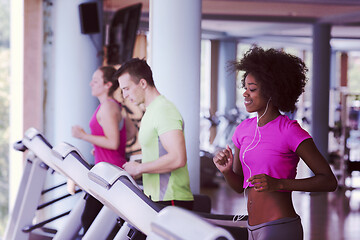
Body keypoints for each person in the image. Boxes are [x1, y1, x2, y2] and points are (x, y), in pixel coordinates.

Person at [213, 47, 338, 240]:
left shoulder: (290, 131)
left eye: (252, 89)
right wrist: (226, 171)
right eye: (245, 87)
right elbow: (240, 186)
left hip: (279, 227)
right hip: (251, 228)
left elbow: (329, 181)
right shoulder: (243, 130)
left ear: (272, 91)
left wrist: (280, 183)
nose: (245, 94)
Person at [114, 58, 194, 210]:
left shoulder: (164, 110)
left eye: (126, 88)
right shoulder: (151, 111)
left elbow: (178, 158)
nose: (124, 95)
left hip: (171, 199)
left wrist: (139, 168)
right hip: (157, 198)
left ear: (143, 84)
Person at [70, 65, 135, 234]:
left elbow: (113, 142)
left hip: (109, 173)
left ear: (107, 85)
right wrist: (100, 146)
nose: (91, 84)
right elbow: (130, 133)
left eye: (96, 81)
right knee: (93, 221)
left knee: (90, 221)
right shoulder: (114, 105)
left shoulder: (107, 107)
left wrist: (84, 136)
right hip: (108, 169)